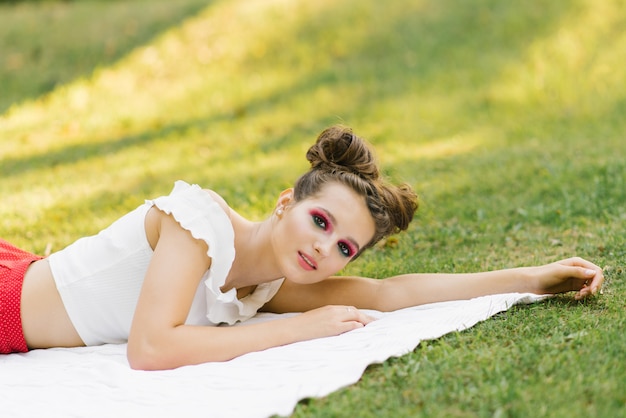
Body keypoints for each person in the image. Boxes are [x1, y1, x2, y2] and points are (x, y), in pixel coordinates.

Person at [1, 126, 603, 370]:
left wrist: (530, 277)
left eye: (344, 246)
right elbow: (151, 348)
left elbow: (392, 292)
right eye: (319, 220)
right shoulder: (196, 222)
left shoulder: (270, 283)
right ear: (285, 202)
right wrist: (303, 327)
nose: (324, 248)